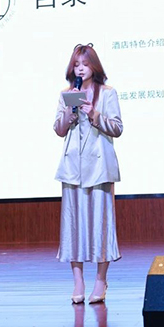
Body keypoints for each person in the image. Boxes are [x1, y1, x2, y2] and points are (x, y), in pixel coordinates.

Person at [53, 44, 123, 304]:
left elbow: (117, 128)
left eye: (84, 64)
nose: (80, 69)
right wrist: (70, 113)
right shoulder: (66, 94)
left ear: (94, 66)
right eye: (76, 64)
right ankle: (78, 281)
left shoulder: (107, 93)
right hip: (73, 168)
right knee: (73, 225)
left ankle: (101, 281)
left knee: (101, 226)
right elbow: (59, 129)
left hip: (100, 167)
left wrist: (93, 113)